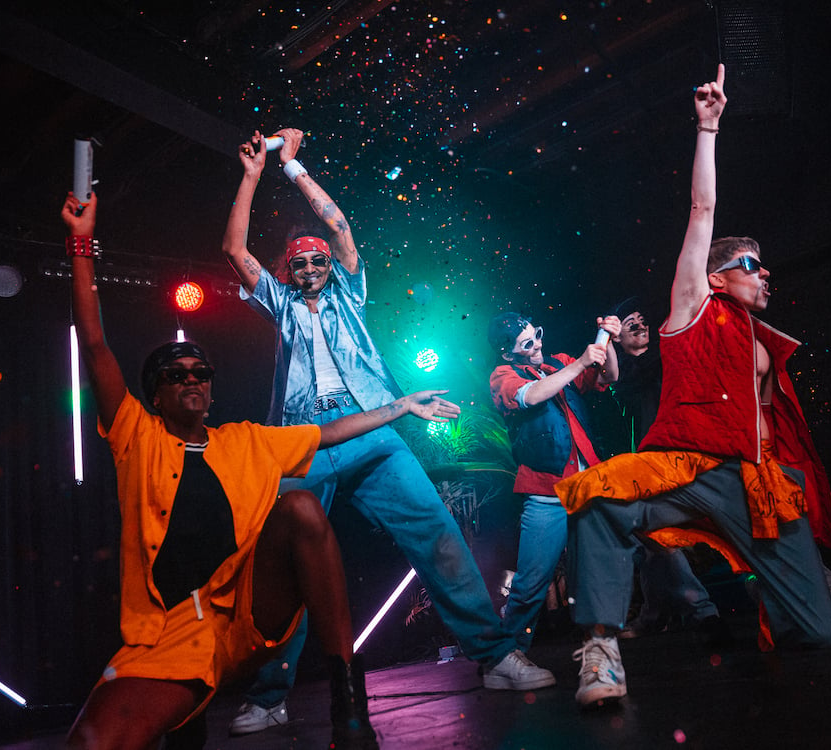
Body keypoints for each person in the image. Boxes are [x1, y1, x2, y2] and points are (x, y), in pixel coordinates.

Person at [60, 191, 464, 750]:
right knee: (94, 743)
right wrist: (81, 245)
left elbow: (326, 436)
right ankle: (227, 706)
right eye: (176, 374)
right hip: (170, 636)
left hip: (242, 616)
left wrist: (400, 406)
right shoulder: (136, 436)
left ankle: (349, 698)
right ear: (152, 396)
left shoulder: (245, 441)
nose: (193, 379)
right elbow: (95, 339)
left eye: (200, 371)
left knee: (304, 511)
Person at [221, 128, 554, 736]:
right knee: (290, 561)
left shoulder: (351, 292)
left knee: (437, 533)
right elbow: (234, 250)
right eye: (303, 259)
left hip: (373, 421)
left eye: (321, 257)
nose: (316, 263)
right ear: (289, 269)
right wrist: (250, 176)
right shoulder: (277, 301)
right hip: (304, 438)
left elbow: (340, 225)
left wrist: (292, 169)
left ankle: (495, 656)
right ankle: (270, 695)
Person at [555, 64, 831, 708]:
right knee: (600, 501)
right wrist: (708, 126)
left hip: (759, 485)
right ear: (716, 277)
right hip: (687, 466)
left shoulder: (765, 347)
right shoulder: (693, 306)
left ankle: (779, 592)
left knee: (821, 635)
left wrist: (824, 496)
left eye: (763, 265)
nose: (763, 273)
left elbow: (781, 435)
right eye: (749, 265)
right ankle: (600, 651)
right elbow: (703, 208)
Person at [487, 311, 620, 653]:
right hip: (546, 490)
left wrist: (607, 336)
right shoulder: (503, 375)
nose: (537, 345)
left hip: (589, 484)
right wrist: (579, 364)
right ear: (508, 353)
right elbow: (530, 396)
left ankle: (598, 646)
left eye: (537, 335)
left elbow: (610, 375)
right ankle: (507, 654)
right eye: (527, 343)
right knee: (532, 582)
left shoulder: (557, 363)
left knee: (592, 572)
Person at [607, 299, 727, 641]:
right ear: (618, 336)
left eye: (643, 320)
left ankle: (653, 613)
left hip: (694, 455)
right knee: (655, 538)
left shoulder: (669, 357)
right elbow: (619, 379)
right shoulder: (624, 375)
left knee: (659, 542)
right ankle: (702, 613)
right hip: (654, 465)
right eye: (630, 323)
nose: (640, 326)